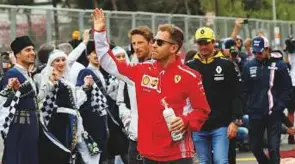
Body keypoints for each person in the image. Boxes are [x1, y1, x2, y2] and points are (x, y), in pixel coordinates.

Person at [92, 8, 210, 164]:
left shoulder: (190, 76)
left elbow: (202, 110)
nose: (153, 45)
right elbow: (109, 63)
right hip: (149, 153)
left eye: (159, 42)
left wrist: (185, 121)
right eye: (154, 40)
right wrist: (100, 34)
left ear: (173, 48)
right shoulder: (142, 70)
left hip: (178, 154)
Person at [187, 27, 243, 164]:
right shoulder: (189, 66)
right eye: (200, 43)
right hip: (199, 125)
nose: (203, 46)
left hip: (221, 124)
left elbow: (237, 93)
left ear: (213, 42)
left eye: (206, 43)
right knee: (204, 161)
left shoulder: (227, 64)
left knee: (221, 161)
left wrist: (235, 120)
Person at [242, 36, 293, 164]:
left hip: (273, 114)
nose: (257, 54)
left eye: (260, 51)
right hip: (255, 114)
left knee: (273, 148)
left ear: (267, 49)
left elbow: (287, 89)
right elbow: (244, 90)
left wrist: (279, 106)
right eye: (255, 52)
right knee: (254, 147)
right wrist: (248, 106)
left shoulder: (279, 65)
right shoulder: (248, 66)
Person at [0, 36, 39, 164]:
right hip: (18, 129)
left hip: (30, 127)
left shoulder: (27, 74)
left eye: (33, 49)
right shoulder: (12, 74)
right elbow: (5, 104)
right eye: (27, 50)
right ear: (17, 54)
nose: (32, 53)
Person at [117, 25, 153, 164]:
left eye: (140, 43)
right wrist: (128, 123)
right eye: (134, 43)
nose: (136, 47)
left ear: (150, 43)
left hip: (159, 139)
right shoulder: (129, 67)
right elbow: (120, 101)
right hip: (136, 138)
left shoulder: (160, 66)